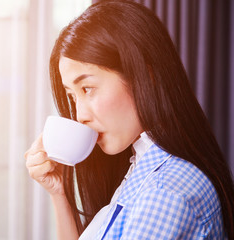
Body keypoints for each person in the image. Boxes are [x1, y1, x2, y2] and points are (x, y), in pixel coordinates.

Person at [24, 0, 234, 239]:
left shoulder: (164, 191)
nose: (80, 115)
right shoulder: (142, 170)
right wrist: (59, 192)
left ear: (144, 76)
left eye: (88, 88)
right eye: (72, 96)